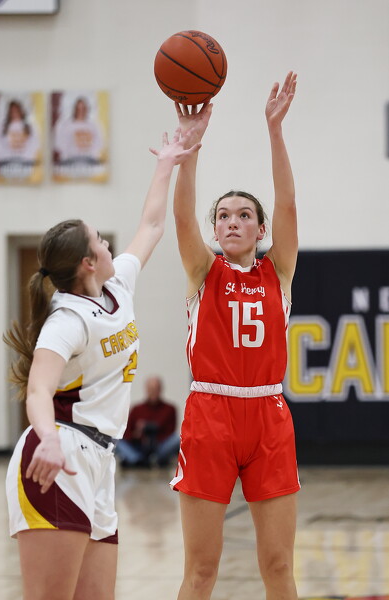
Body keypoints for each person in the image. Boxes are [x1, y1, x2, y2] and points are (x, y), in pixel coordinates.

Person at [3, 126, 201, 600]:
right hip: (58, 456)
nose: (109, 245)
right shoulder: (66, 321)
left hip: (100, 460)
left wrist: (166, 162)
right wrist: (48, 439)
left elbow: (151, 226)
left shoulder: (118, 287)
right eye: (99, 241)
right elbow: (38, 389)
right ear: (88, 263)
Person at [170, 72, 300, 600]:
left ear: (260, 230)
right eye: (222, 216)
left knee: (279, 565)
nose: (231, 222)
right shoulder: (204, 271)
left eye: (244, 215)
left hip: (268, 414)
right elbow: (183, 218)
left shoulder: (278, 271)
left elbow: (287, 204)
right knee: (202, 570)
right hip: (211, 413)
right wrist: (190, 149)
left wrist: (275, 132)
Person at [116, 375, 179, 468]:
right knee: (116, 440)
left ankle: (142, 459)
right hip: (138, 446)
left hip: (160, 446)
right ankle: (137, 460)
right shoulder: (137, 409)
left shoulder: (170, 409)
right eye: (151, 389)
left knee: (176, 439)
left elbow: (171, 432)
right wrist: (138, 434)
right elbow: (126, 432)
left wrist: (155, 431)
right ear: (146, 390)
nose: (153, 392)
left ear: (160, 390)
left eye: (155, 389)